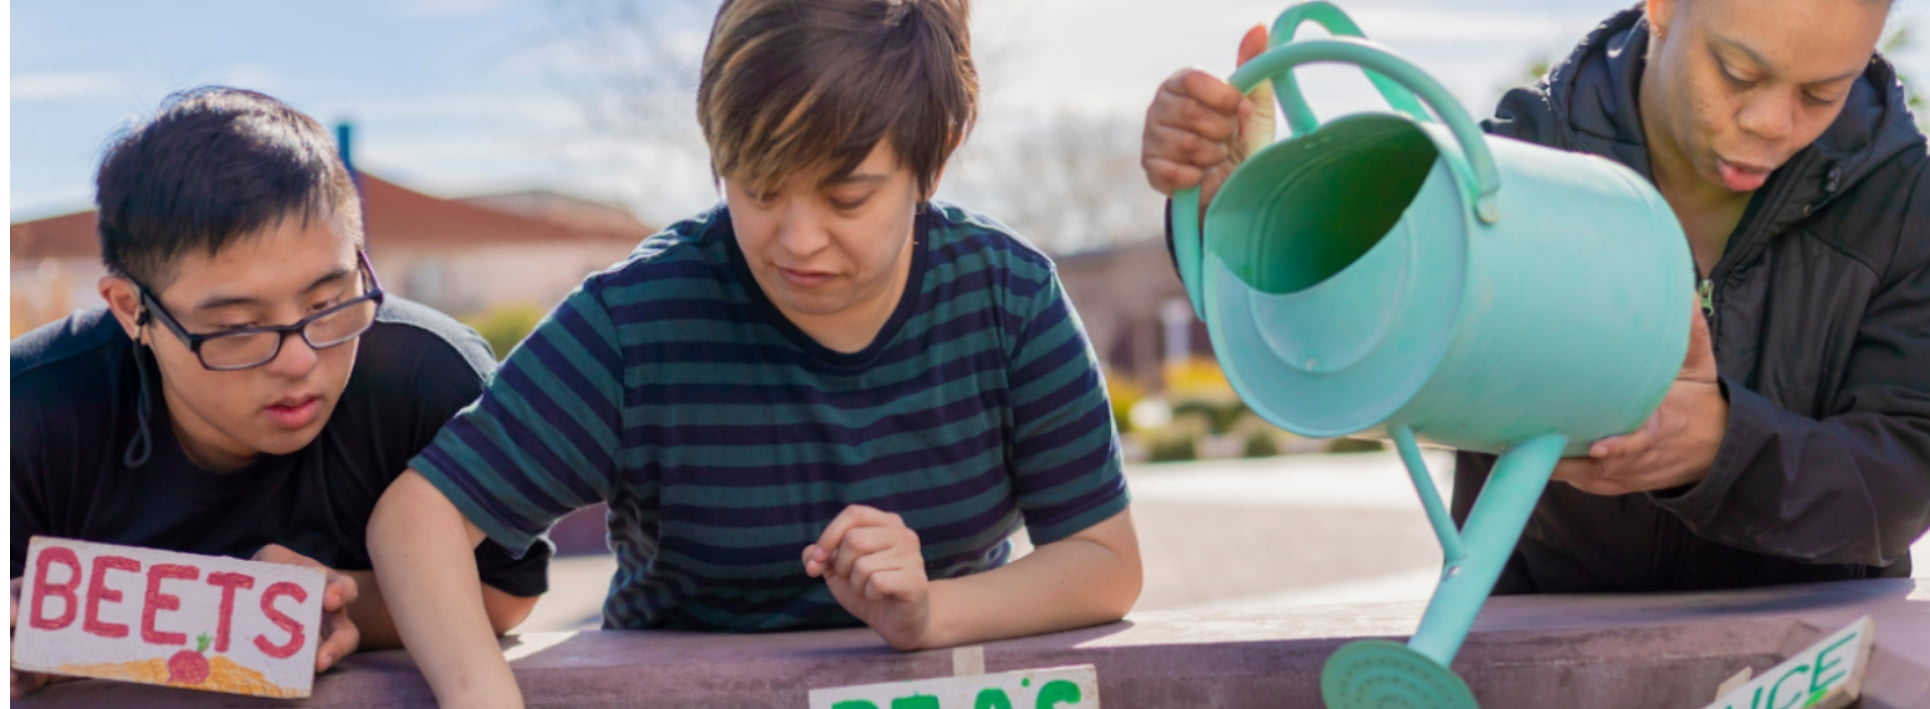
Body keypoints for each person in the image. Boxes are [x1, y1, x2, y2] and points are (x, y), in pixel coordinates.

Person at [367, 0, 1142, 705]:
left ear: (935, 152)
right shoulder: (635, 321)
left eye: (847, 197)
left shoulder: (1008, 297)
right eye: (760, 188)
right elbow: (418, 518)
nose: (798, 240)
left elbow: (1103, 559)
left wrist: (931, 611)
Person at [1142, 0, 1929, 593]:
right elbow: (1348, 347)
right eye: (1737, 73)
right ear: (1660, 7)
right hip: (1541, 646)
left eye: (1823, 92)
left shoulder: (1907, 203)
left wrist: (1728, 449)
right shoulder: (1511, 160)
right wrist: (1245, 215)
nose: (1769, 122)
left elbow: (1907, 473)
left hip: (1819, 661)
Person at [10, 87, 549, 697]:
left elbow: (507, 592)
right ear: (131, 310)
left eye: (327, 302)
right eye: (238, 327)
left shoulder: (429, 373)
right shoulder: (27, 409)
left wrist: (338, 604)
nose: (300, 359)